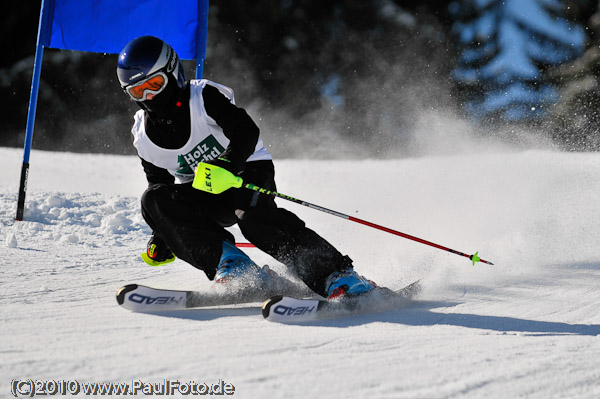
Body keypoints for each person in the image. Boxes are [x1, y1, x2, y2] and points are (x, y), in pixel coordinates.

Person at [116, 35, 376, 299]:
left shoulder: (203, 97)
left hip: (246, 172)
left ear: (173, 73)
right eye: (137, 91)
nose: (149, 96)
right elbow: (160, 186)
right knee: (152, 199)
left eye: (155, 84)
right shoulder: (143, 136)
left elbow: (246, 132)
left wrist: (227, 164)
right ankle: (236, 268)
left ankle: (337, 275)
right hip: (206, 194)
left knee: (253, 220)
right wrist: (162, 234)